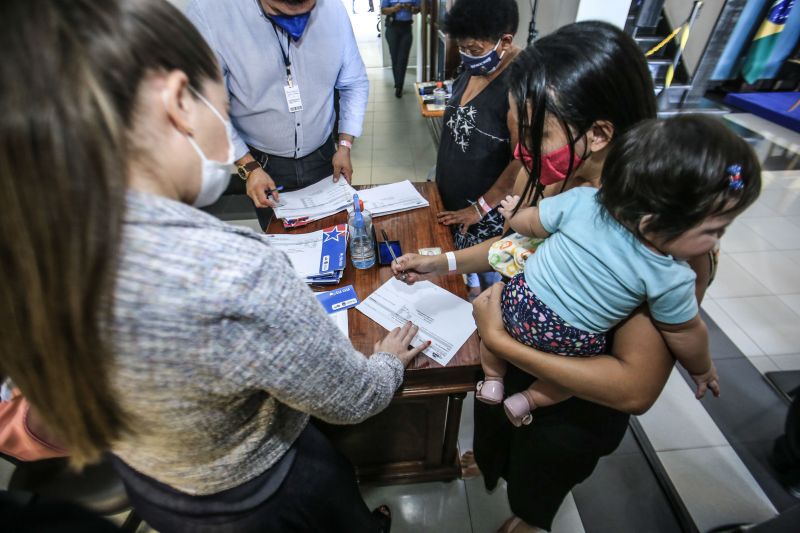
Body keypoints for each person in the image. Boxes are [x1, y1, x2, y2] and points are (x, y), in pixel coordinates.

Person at [0, 0, 427, 531]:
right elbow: (350, 399)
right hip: (264, 493)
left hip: (161, 489)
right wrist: (385, 363)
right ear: (181, 101)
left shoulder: (37, 253)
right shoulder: (234, 274)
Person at [390, 21, 717, 532]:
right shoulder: (554, 177)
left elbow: (634, 388)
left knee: (542, 471)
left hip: (573, 402)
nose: (520, 151)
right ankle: (496, 465)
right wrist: (446, 262)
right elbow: (517, 250)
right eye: (517, 130)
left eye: (535, 134)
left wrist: (499, 339)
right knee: (498, 432)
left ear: (600, 133)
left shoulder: (651, 236)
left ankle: (531, 517)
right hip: (516, 357)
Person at [478, 115, 761, 427]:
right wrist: (702, 368)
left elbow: (531, 224)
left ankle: (493, 379)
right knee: (572, 377)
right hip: (570, 342)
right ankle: (528, 400)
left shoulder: (583, 201)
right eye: (715, 230)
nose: (717, 241)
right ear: (655, 219)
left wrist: (514, 214)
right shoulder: (672, 277)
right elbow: (685, 333)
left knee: (492, 300)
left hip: (517, 303)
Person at [186, 0, 369, 230]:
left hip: (324, 156)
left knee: (334, 237)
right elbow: (204, 104)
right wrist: (248, 166)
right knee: (285, 243)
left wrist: (345, 144)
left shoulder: (333, 9)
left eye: (307, 10)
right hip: (262, 164)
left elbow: (354, 83)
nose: (297, 21)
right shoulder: (211, 13)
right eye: (282, 12)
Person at [434, 0, 523, 298]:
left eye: (474, 50)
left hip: (485, 214)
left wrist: (480, 207)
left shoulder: (518, 85)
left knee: (487, 287)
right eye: (463, 48)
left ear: (505, 42)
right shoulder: (475, 67)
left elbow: (523, 160)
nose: (467, 56)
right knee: (459, 272)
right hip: (452, 201)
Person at [381, 1, 420, 98]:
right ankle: (398, 82)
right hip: (392, 28)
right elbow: (383, 10)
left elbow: (418, 10)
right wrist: (394, 9)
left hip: (406, 28)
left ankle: (399, 86)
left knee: (403, 58)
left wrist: (411, 8)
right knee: (395, 57)